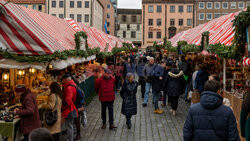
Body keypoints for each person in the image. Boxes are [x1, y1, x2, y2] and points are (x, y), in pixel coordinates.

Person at [61, 74, 78, 141]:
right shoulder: (73, 84)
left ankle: (70, 139)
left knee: (69, 125)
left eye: (62, 80)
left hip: (69, 109)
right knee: (71, 125)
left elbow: (68, 100)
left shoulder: (69, 87)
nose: (62, 81)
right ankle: (71, 138)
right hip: (72, 107)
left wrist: (62, 107)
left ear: (65, 79)